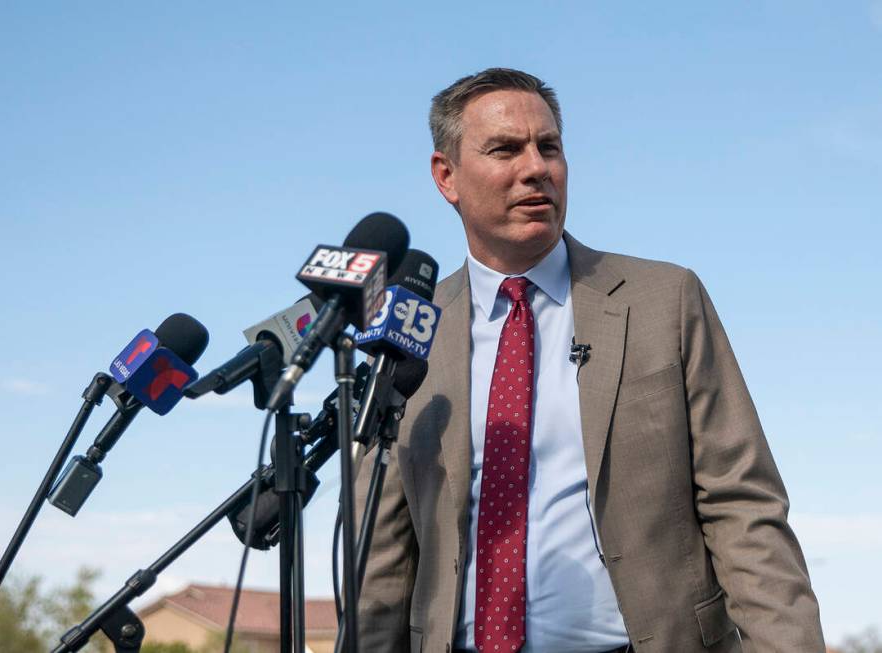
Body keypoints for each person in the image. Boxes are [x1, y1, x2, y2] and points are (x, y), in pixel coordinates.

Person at [353, 68, 825, 653]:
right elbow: (382, 552)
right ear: (446, 176)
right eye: (505, 149)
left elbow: (743, 506)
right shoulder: (409, 331)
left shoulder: (665, 300)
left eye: (549, 146)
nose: (536, 168)